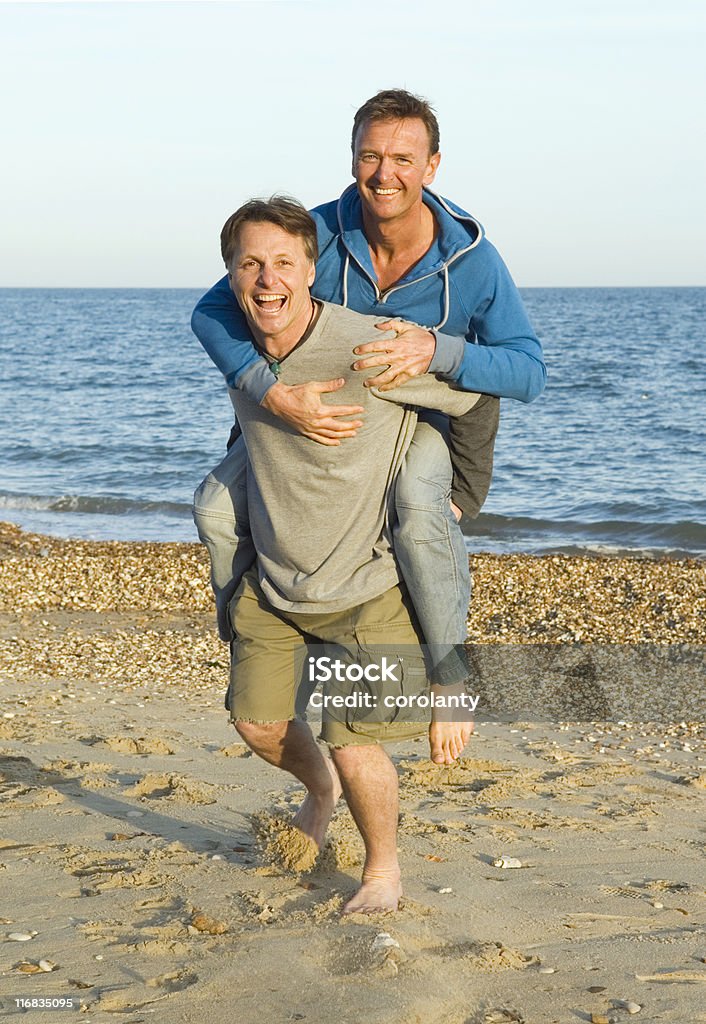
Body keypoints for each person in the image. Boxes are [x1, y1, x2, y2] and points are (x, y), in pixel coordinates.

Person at [192, 89, 546, 706]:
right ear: (352, 158)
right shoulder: (316, 234)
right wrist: (269, 394)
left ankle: (448, 675)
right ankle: (253, 646)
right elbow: (212, 309)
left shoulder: (473, 261)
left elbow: (527, 372)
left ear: (432, 166)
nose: (385, 174)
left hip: (418, 421)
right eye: (370, 156)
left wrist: (437, 351)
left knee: (415, 506)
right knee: (216, 509)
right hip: (308, 417)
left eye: (404, 159)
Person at [219, 196, 480, 914]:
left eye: (281, 263)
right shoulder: (236, 345)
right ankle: (319, 794)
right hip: (275, 583)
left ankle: (383, 872)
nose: (266, 281)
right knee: (257, 722)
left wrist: (460, 485)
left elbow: (479, 390)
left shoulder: (366, 345)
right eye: (249, 265)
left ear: (312, 268)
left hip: (364, 586)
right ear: (232, 277)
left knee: (354, 742)